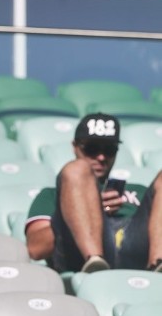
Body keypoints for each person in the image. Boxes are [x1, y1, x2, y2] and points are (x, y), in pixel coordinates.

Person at [25, 112, 162, 273]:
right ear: (75, 147)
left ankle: (158, 264)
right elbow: (36, 249)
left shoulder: (138, 190)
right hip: (78, 258)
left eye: (110, 150)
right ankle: (94, 262)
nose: (101, 157)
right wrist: (84, 213)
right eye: (92, 148)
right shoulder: (51, 195)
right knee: (77, 168)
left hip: (136, 249)